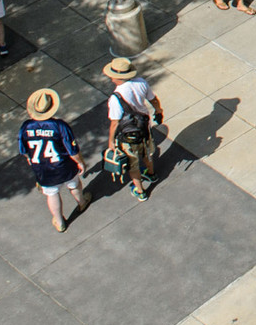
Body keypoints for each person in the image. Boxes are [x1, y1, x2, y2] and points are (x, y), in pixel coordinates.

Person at [19, 88, 87, 232]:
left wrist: (31, 161)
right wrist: (80, 162)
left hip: (43, 170)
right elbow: (72, 150)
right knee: (74, 185)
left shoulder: (25, 127)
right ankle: (82, 202)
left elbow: (24, 151)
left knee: (52, 194)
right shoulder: (59, 126)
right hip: (64, 166)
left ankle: (59, 221)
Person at [103, 56, 164, 200]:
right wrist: (158, 111)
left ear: (116, 77)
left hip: (128, 136)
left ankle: (140, 191)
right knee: (147, 153)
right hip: (144, 127)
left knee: (133, 165)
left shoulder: (115, 98)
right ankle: (151, 174)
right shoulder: (141, 83)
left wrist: (111, 141)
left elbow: (115, 123)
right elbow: (153, 99)